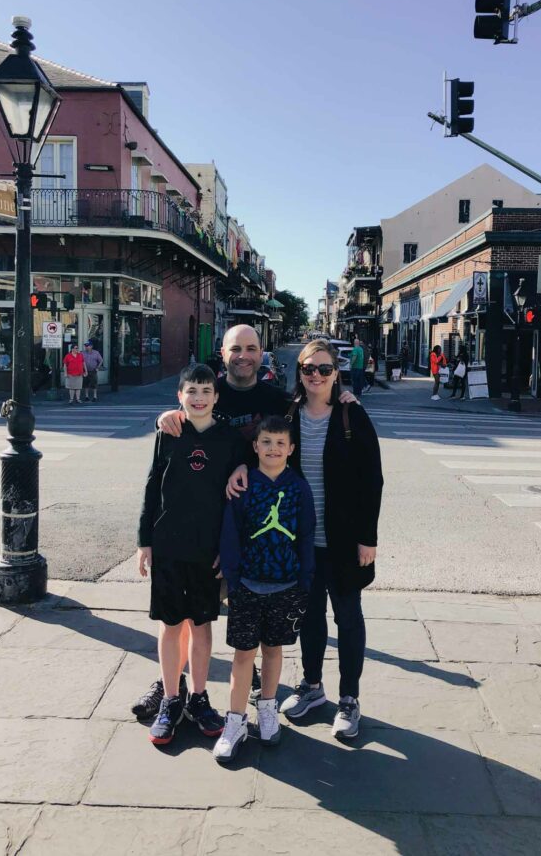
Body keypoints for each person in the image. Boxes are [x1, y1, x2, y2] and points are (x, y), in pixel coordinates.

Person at [131, 323, 357, 720]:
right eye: (236, 348)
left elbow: (312, 402)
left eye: (251, 348)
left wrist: (342, 397)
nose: (244, 356)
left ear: (261, 352)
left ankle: (241, 682)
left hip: (253, 529)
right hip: (197, 527)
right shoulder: (208, 389)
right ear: (223, 353)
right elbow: (185, 414)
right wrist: (166, 417)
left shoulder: (276, 398)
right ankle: (172, 686)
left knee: (241, 611)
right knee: (182, 614)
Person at [271, 340, 383, 740]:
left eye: (323, 369)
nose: (315, 375)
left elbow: (372, 480)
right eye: (308, 369)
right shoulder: (288, 414)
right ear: (299, 373)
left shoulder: (352, 415)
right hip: (302, 541)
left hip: (344, 539)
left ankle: (349, 698)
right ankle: (313, 685)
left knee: (348, 617)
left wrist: (368, 538)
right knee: (310, 617)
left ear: (337, 373)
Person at [137, 364, 246, 746]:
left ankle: (199, 697)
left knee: (201, 625)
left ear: (216, 397)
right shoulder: (169, 432)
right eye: (192, 391)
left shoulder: (229, 438)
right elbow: (152, 485)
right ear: (179, 396)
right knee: (170, 624)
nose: (199, 398)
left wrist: (228, 549)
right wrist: (144, 541)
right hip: (168, 544)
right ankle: (171, 699)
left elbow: (244, 482)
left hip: (207, 549)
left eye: (205, 391)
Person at [213, 415, 315, 763]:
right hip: (247, 584)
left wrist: (304, 581)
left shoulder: (299, 487)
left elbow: (306, 535)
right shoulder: (243, 486)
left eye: (280, 443)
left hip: (286, 584)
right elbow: (230, 532)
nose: (273, 448)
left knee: (273, 649)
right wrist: (232, 577)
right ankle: (235, 720)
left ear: (291, 449)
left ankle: (268, 708)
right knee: (243, 655)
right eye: (267, 442)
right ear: (255, 446)